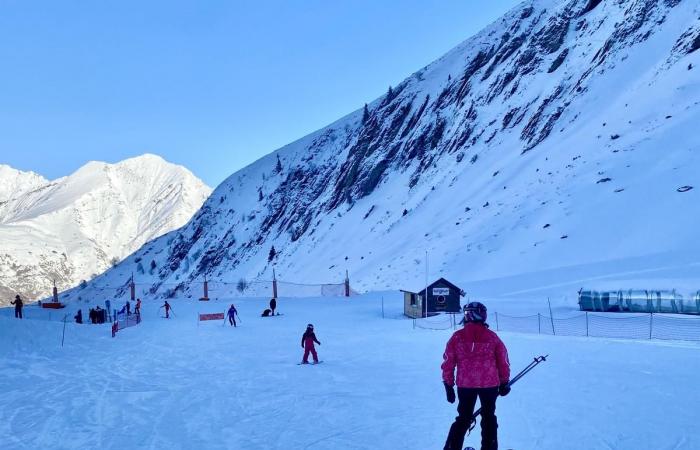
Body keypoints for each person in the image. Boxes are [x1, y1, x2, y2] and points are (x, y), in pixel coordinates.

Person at [441, 302, 510, 450]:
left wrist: (448, 384)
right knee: (489, 417)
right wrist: (504, 381)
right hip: (489, 385)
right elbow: (503, 360)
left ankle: (452, 447)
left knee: (463, 418)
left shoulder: (457, 337)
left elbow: (448, 361)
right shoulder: (492, 337)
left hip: (465, 385)